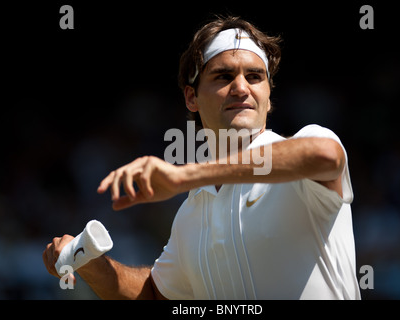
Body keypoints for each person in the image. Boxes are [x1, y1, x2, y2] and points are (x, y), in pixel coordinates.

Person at [43, 16, 361, 300]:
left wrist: (185, 175)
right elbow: (155, 294)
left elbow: (324, 155)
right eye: (223, 77)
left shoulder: (309, 146)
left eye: (254, 76)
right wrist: (90, 264)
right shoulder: (190, 216)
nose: (241, 87)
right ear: (191, 97)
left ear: (268, 95)